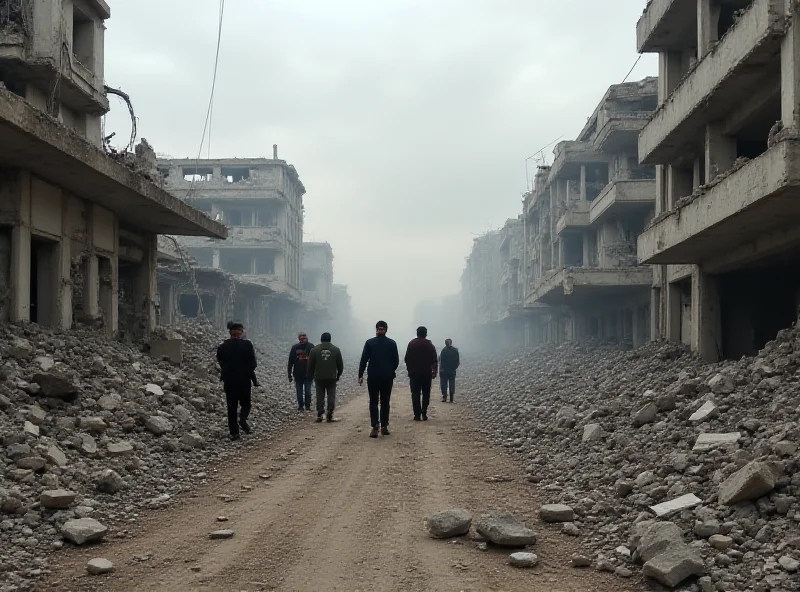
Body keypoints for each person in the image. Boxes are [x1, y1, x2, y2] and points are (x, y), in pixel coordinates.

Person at [216, 322, 258, 441]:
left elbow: (220, 361)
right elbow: (253, 363)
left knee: (231, 406)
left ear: (230, 332)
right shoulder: (247, 345)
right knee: (246, 403)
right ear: (241, 332)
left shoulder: (223, 346)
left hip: (229, 380)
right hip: (244, 379)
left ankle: (234, 433)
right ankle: (243, 420)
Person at [358, 320, 399, 438]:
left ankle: (382, 426)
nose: (380, 330)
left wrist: (361, 374)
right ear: (377, 329)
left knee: (382, 401)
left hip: (376, 375)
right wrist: (360, 374)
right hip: (382, 376)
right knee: (376, 401)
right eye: (379, 328)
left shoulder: (371, 343)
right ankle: (377, 426)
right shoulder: (390, 343)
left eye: (382, 329)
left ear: (385, 330)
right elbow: (364, 360)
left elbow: (365, 359)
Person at [307, 332, 344, 423]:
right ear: (330, 339)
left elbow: (310, 365)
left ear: (321, 339)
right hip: (331, 377)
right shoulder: (336, 350)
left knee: (320, 395)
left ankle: (320, 414)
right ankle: (330, 413)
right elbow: (340, 365)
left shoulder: (314, 350)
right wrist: (338, 375)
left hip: (318, 377)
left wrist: (310, 375)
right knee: (331, 395)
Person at [404, 326, 438, 421]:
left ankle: (417, 414)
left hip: (414, 373)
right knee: (426, 393)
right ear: (426, 333)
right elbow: (435, 360)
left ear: (417, 333)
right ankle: (424, 412)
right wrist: (434, 371)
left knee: (415, 394)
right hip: (427, 373)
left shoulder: (411, 344)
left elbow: (407, 359)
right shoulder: (430, 345)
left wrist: (409, 370)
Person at [288, 332, 314, 412]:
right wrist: (289, 374)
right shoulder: (295, 348)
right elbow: (290, 362)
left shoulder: (311, 347)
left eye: (305, 338)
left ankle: (308, 406)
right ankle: (300, 406)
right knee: (299, 391)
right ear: (299, 339)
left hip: (308, 374)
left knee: (308, 391)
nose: (303, 340)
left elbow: (315, 360)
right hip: (298, 374)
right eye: (301, 338)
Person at [439, 338, 460, 403]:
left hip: (444, 370)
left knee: (444, 384)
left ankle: (444, 397)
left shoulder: (443, 351)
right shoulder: (455, 351)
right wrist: (454, 368)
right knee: (452, 383)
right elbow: (458, 362)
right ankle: (451, 398)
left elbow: (441, 360)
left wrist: (441, 369)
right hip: (452, 370)